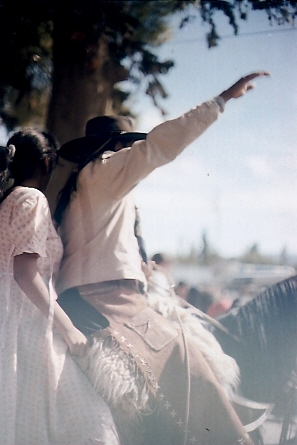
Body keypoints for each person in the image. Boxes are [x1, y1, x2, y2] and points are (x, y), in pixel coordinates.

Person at [46, 72, 270, 445]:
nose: (130, 157)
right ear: (115, 146)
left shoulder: (82, 187)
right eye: (125, 148)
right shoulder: (105, 171)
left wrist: (140, 265)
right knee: (189, 354)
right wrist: (221, 100)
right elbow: (161, 145)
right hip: (107, 300)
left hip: (94, 295)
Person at [0, 130, 119, 445]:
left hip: (11, 319)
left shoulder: (7, 201)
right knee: (91, 424)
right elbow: (25, 274)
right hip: (25, 324)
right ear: (48, 162)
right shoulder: (32, 198)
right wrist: (67, 328)